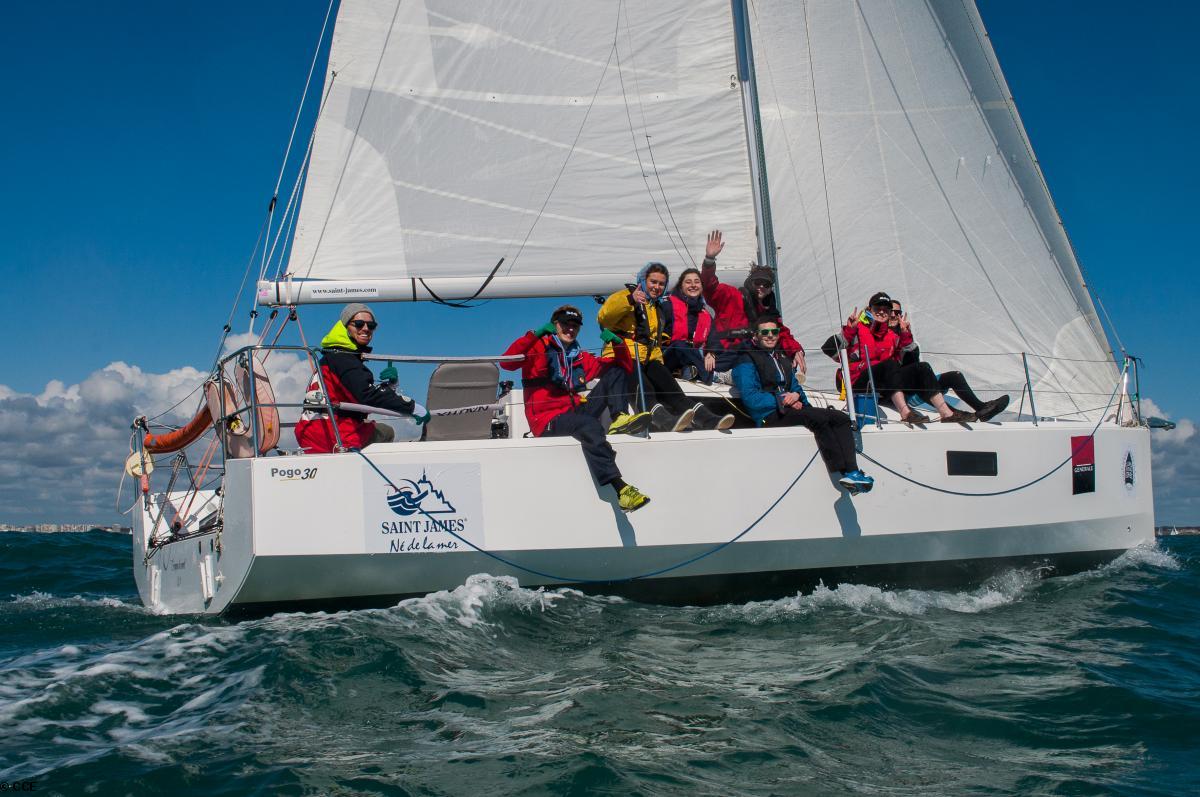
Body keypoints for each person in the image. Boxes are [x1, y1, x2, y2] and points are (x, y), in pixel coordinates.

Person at [501, 305, 651, 512]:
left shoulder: (580, 357)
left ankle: (619, 418)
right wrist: (534, 335)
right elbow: (507, 363)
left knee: (614, 372)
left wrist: (618, 344)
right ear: (554, 326)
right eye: (565, 325)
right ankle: (621, 489)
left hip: (572, 415)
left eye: (575, 326)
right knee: (588, 424)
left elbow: (624, 368)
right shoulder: (537, 347)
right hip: (546, 420)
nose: (570, 329)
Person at [733, 317, 874, 493]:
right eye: (765, 332)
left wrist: (797, 396)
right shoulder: (745, 360)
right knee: (818, 418)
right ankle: (841, 471)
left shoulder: (782, 358)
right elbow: (751, 398)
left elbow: (797, 389)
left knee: (840, 417)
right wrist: (783, 400)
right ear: (756, 336)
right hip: (768, 416)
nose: (770, 336)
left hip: (789, 410)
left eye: (774, 332)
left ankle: (852, 472)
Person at [597, 263, 734, 431]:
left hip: (649, 358)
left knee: (671, 387)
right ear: (643, 280)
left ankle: (707, 419)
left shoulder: (656, 308)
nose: (657, 287)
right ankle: (664, 420)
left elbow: (654, 340)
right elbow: (604, 318)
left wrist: (659, 364)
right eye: (653, 282)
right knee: (645, 388)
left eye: (661, 284)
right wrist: (630, 300)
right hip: (622, 357)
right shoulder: (625, 295)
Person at [296, 303, 429, 453]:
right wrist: (412, 407)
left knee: (382, 429)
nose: (365, 328)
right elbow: (366, 394)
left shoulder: (333, 356)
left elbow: (356, 392)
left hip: (310, 433)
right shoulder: (344, 359)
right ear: (346, 326)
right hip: (336, 435)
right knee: (387, 432)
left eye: (371, 325)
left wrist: (391, 386)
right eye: (359, 324)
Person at [836, 292, 974, 425]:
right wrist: (848, 331)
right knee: (889, 364)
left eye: (886, 309)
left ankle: (946, 413)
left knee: (922, 367)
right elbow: (833, 354)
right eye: (878, 308)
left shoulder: (893, 336)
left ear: (890, 313)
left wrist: (905, 334)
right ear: (869, 310)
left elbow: (907, 362)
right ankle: (905, 413)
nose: (882, 312)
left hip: (883, 387)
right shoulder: (857, 329)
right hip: (860, 384)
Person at [699, 230, 806, 379]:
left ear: (770, 289)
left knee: (781, 362)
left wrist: (795, 350)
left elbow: (780, 332)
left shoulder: (769, 311)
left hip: (752, 359)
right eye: (757, 282)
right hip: (724, 355)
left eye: (766, 284)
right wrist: (710, 259)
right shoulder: (731, 296)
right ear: (750, 282)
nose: (761, 287)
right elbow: (709, 287)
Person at [887, 298, 1010, 422]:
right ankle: (953, 413)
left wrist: (906, 334)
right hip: (901, 392)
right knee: (923, 372)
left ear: (901, 316)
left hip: (917, 385)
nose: (893, 315)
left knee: (954, 376)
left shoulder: (904, 334)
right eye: (890, 311)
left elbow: (913, 362)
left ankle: (982, 409)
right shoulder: (881, 336)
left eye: (897, 312)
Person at [660, 267, 716, 384]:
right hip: (667, 356)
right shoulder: (667, 305)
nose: (693, 285)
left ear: (701, 286)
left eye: (697, 282)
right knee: (681, 345)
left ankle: (688, 371)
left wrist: (711, 353)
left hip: (692, 356)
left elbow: (713, 337)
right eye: (688, 282)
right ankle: (710, 377)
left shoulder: (706, 314)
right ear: (681, 286)